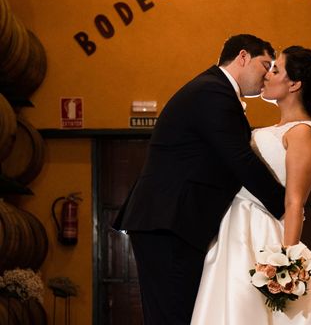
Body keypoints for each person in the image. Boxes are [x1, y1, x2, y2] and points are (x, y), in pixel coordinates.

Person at [113, 34, 287, 325]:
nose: (266, 75)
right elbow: (239, 159)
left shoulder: (213, 90)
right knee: (172, 316)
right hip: (168, 222)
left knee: (178, 314)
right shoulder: (213, 91)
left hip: (175, 223)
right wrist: (285, 207)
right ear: (242, 57)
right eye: (265, 65)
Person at [190, 45, 311, 324]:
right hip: (231, 229)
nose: (267, 75)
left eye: (275, 69)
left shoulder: (303, 133)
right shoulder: (271, 129)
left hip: (260, 235)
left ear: (294, 83)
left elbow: (295, 201)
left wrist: (287, 260)